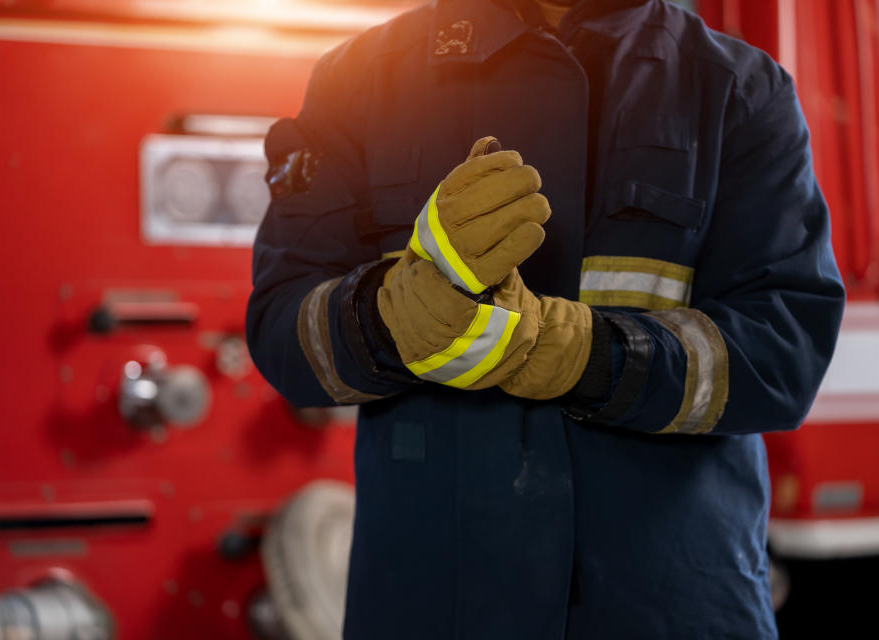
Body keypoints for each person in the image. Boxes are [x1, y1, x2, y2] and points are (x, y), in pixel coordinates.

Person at [246, 0, 845, 637]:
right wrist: (388, 319)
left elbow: (785, 353)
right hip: (432, 609)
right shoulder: (363, 78)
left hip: (669, 607)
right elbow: (285, 327)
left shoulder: (737, 90)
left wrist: (591, 356)